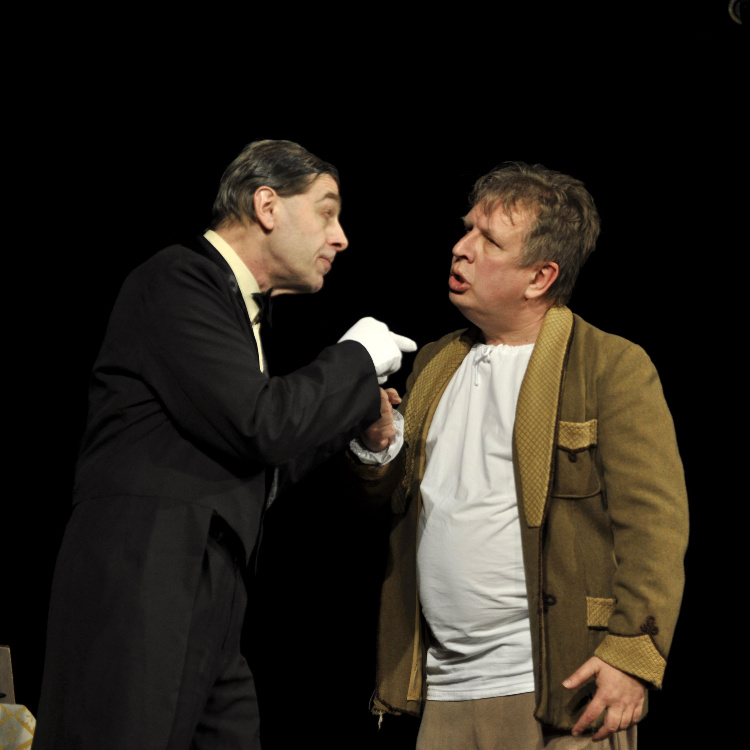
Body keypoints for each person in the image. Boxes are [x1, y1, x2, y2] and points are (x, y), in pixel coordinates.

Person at [33, 139, 416, 750]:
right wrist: (355, 358)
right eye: (326, 212)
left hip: (209, 587)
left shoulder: (239, 312)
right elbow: (259, 423)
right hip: (147, 574)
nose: (341, 237)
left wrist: (354, 422)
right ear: (267, 206)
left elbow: (257, 459)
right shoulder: (178, 278)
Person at [353, 162, 688, 749]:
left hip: (562, 689)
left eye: (488, 240)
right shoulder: (435, 363)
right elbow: (394, 509)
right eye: (466, 229)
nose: (461, 248)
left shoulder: (607, 366)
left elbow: (655, 525)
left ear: (540, 277)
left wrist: (632, 655)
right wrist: (378, 446)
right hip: (445, 689)